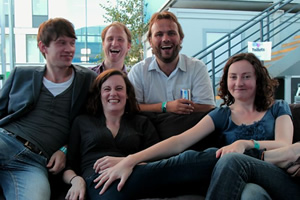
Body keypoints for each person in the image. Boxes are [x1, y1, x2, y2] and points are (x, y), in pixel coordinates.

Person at [95, 52, 294, 198]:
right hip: (241, 183)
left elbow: (285, 145)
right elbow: (178, 142)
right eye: (233, 77)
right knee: (250, 195)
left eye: (246, 76)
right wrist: (130, 160)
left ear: (258, 80)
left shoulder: (277, 108)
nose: (238, 82)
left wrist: (246, 143)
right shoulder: (222, 114)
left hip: (276, 174)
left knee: (231, 159)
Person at [0, 18, 97, 200]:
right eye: (61, 43)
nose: (69, 49)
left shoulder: (87, 80)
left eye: (72, 43)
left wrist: (65, 149)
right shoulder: (21, 75)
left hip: (34, 162)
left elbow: (93, 124)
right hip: (6, 141)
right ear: (43, 47)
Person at [62, 69, 163, 200]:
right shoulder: (82, 122)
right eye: (107, 89)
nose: (113, 93)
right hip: (98, 182)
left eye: (119, 88)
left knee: (186, 160)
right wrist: (76, 181)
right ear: (99, 94)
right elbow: (68, 166)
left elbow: (157, 162)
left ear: (127, 94)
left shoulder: (142, 122)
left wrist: (126, 162)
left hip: (136, 177)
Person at [128, 11, 215, 114]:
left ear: (181, 38)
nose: (166, 39)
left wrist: (181, 108)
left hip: (190, 129)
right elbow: (131, 107)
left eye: (171, 33)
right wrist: (165, 107)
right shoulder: (138, 71)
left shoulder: (197, 67)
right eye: (159, 34)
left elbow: (208, 106)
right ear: (150, 41)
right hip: (150, 129)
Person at [206, 143, 300, 200]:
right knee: (251, 192)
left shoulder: (279, 110)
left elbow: (283, 142)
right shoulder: (224, 114)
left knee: (232, 160)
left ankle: (267, 156)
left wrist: (247, 144)